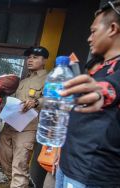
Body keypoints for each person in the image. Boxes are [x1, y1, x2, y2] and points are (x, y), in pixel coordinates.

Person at [56, 1, 120, 187]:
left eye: (93, 31)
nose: (89, 39)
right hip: (68, 165)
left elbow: (110, 87)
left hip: (92, 174)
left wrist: (103, 92)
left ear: (113, 28)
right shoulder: (99, 67)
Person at [0, 46, 49, 188]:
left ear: (44, 60)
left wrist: (36, 101)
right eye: (29, 57)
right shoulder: (24, 80)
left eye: (35, 57)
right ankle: (14, 183)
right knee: (5, 156)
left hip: (28, 128)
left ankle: (19, 184)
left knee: (19, 163)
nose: (30, 60)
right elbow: (14, 99)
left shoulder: (48, 78)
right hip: (11, 124)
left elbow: (51, 99)